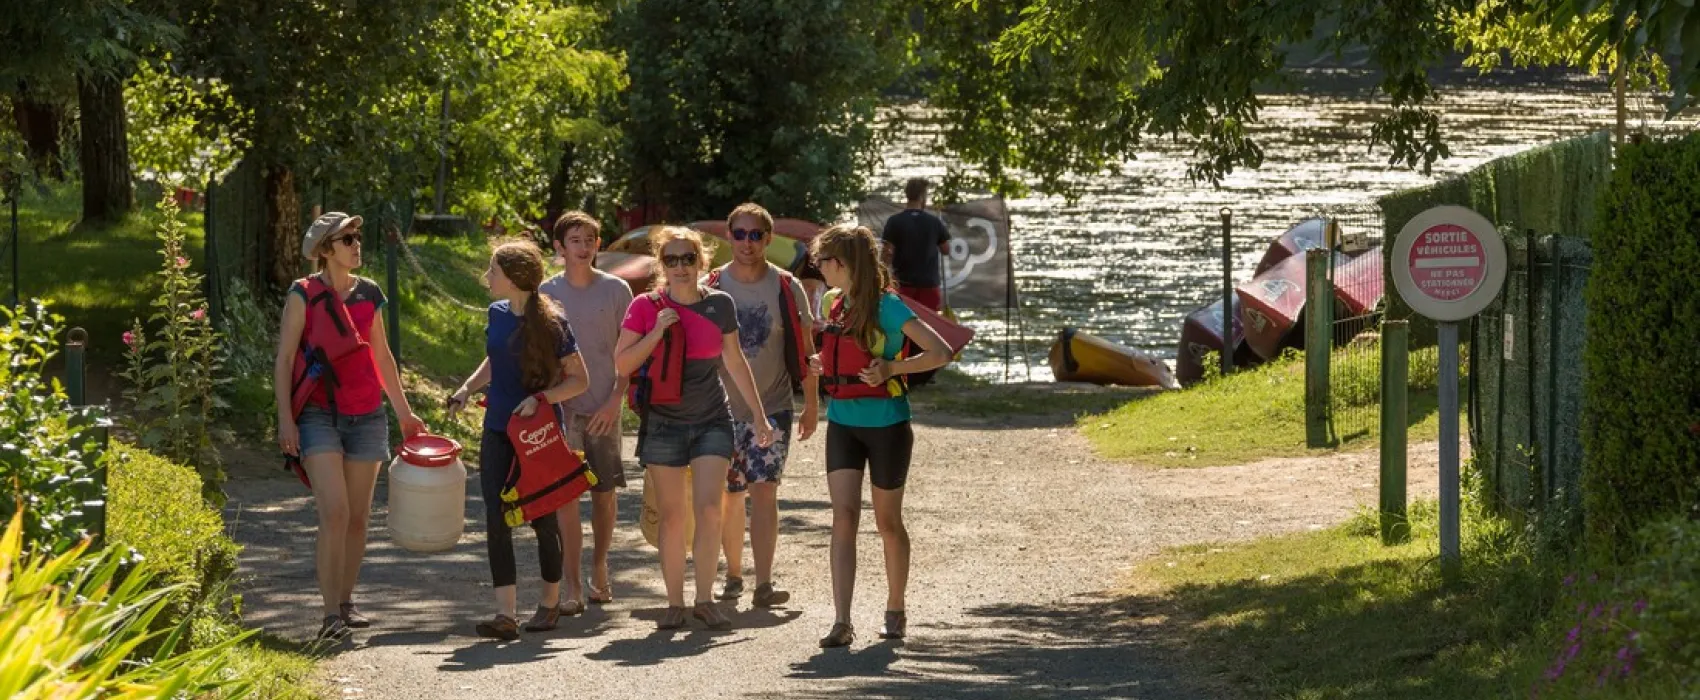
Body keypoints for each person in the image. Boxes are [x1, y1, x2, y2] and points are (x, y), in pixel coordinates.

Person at [274, 212, 426, 641]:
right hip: (318, 414)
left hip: (367, 414)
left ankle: (345, 601)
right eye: (347, 239)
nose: (357, 245)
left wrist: (404, 413)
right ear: (325, 250)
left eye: (358, 237)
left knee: (358, 518)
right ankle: (328, 616)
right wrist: (286, 418)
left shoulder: (369, 294)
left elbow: (382, 358)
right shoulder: (302, 294)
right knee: (335, 512)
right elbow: (285, 359)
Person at [615, 226, 773, 632]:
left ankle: (704, 600)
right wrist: (655, 332)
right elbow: (622, 364)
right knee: (671, 517)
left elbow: (735, 361)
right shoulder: (645, 306)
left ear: (702, 262)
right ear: (661, 264)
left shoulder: (720, 304)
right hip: (664, 423)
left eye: (688, 259)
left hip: (711, 420)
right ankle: (673, 602)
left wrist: (758, 415)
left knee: (708, 509)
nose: (680, 267)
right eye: (671, 260)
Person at [809, 224, 950, 648]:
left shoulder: (888, 307)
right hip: (844, 424)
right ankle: (841, 620)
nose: (819, 268)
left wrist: (891, 369)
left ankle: (895, 607)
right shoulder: (833, 303)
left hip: (887, 425)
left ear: (843, 264)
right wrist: (822, 363)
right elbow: (836, 351)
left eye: (823, 261)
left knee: (887, 523)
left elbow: (940, 352)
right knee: (843, 518)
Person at [446, 241, 590, 640]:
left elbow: (580, 380)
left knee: (543, 515)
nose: (487, 277)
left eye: (493, 270)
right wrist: (466, 388)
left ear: (514, 278)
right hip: (497, 428)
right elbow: (495, 359)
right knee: (496, 517)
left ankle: (549, 604)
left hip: (538, 432)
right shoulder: (496, 313)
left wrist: (541, 398)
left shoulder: (553, 323)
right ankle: (505, 614)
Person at [705, 203, 819, 608]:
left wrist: (811, 405)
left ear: (769, 239)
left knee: (765, 490)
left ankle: (764, 583)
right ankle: (733, 575)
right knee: (730, 495)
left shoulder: (786, 286)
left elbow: (805, 351)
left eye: (756, 235)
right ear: (729, 236)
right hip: (719, 409)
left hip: (774, 405)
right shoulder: (711, 285)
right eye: (740, 234)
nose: (748, 243)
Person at [539, 211, 634, 613]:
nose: (584, 246)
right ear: (559, 247)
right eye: (575, 240)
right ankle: (573, 583)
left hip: (604, 406)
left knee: (604, 494)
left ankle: (600, 565)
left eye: (590, 239)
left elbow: (630, 354)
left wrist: (616, 400)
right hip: (561, 410)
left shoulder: (618, 291)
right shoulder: (545, 290)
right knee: (565, 497)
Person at [880, 177, 952, 313]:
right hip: (929, 286)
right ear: (922, 197)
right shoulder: (934, 222)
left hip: (902, 285)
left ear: (907, 195)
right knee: (929, 328)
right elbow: (946, 250)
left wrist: (882, 278)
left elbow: (887, 253)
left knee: (903, 326)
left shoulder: (894, 221)